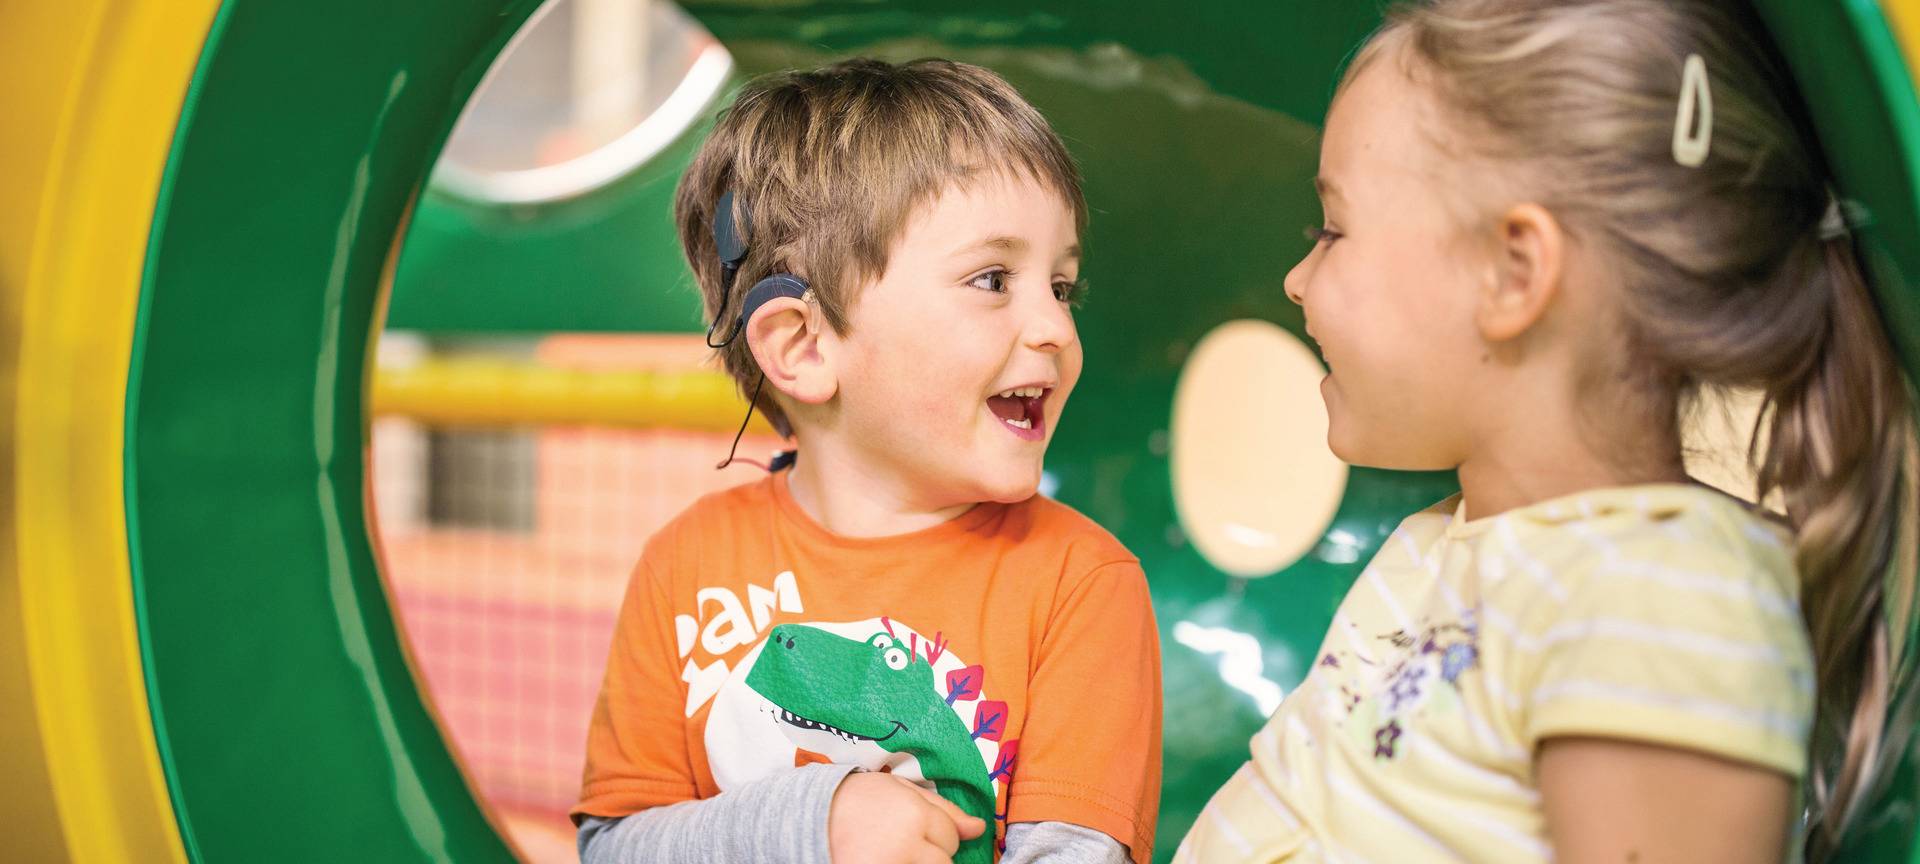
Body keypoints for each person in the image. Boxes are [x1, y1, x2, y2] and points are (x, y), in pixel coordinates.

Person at [1177, 1, 1914, 860]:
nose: (1298, 279)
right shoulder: (1455, 550)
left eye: (1332, 231)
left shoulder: (1657, 599)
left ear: (1513, 273)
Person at [575, 57, 1162, 864]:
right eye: (993, 279)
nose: (1057, 328)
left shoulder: (1082, 585)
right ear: (803, 346)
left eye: (1062, 287)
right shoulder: (683, 565)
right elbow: (613, 848)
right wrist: (815, 826)